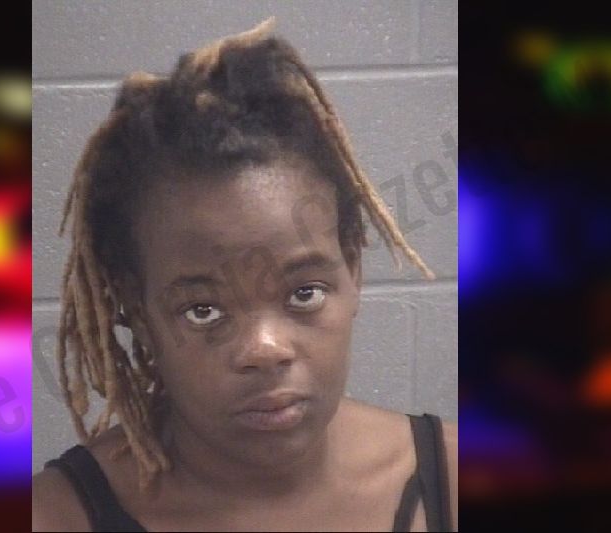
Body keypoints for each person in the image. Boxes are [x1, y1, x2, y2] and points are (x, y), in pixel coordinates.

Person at [32, 18, 457, 532]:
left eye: (304, 292)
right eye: (202, 310)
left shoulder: (456, 477)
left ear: (353, 270)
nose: (265, 349)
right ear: (139, 313)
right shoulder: (54, 516)